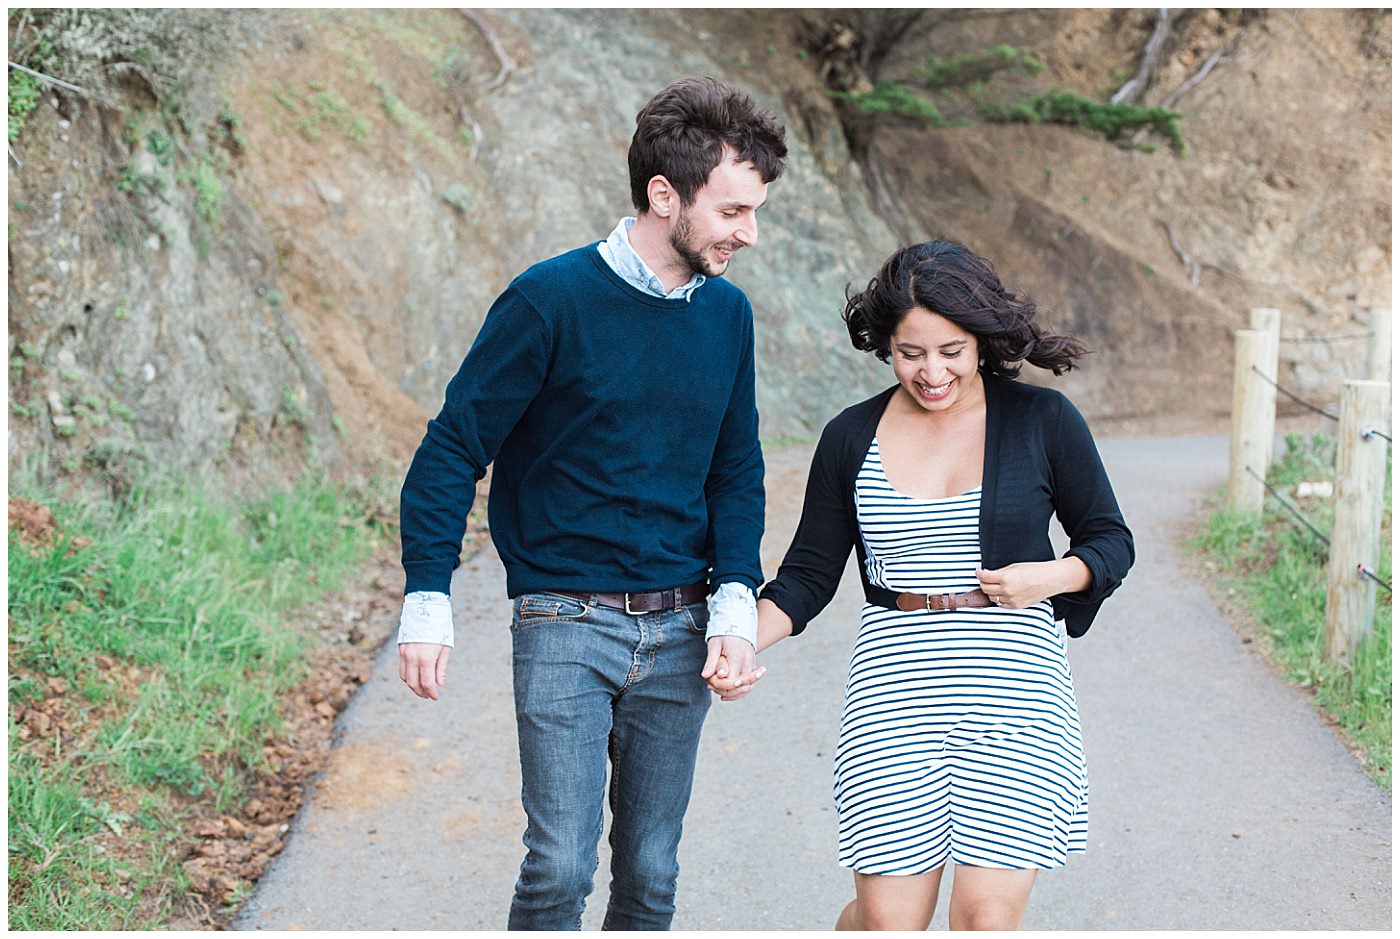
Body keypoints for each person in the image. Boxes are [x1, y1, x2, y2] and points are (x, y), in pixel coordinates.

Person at [395, 76, 787, 930]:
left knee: (650, 873)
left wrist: (733, 605)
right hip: (562, 619)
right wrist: (427, 599)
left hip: (681, 627)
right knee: (560, 866)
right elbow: (452, 448)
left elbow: (736, 467)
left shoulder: (727, 316)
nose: (747, 233)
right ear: (664, 194)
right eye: (731, 211)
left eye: (753, 212)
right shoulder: (550, 300)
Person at [714, 241, 1134, 929]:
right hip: (894, 693)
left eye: (951, 350)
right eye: (912, 352)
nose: (932, 371)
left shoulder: (1042, 420)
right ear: (886, 345)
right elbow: (808, 577)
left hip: (1014, 691)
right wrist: (740, 641)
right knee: (887, 923)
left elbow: (1110, 541)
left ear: (982, 339)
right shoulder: (851, 436)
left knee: (986, 919)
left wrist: (1048, 577)